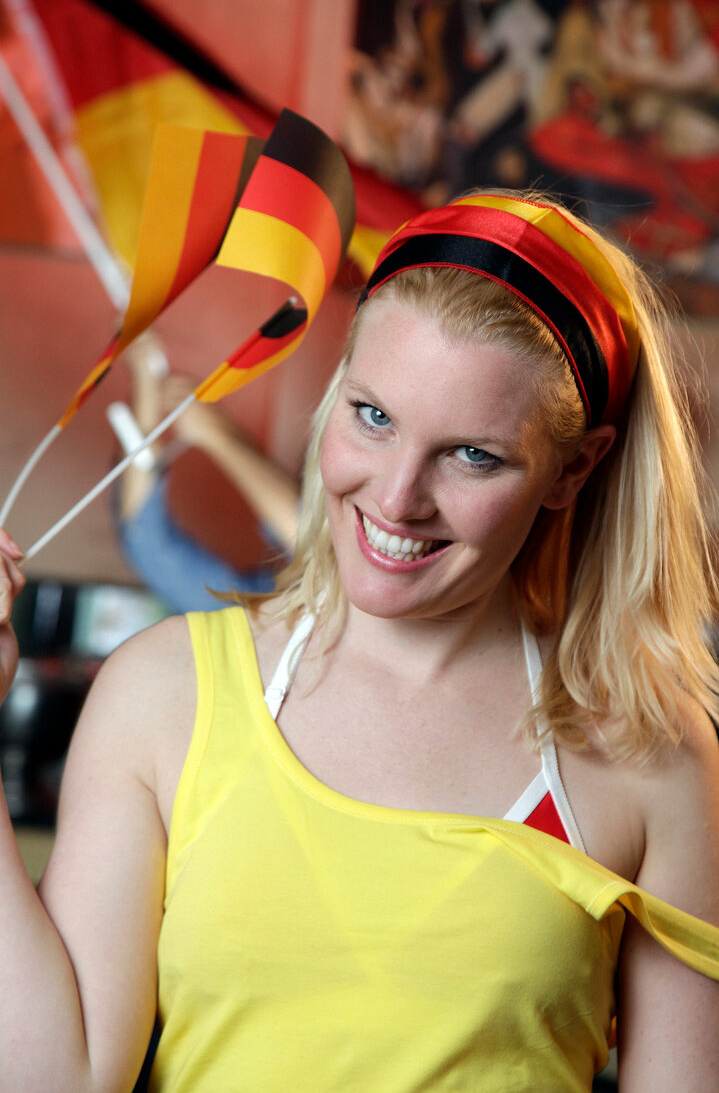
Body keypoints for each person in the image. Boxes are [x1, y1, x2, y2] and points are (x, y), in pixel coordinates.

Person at [1, 188, 719, 1092]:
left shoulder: (646, 749)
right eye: (372, 417)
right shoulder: (163, 691)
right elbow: (55, 1079)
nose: (395, 498)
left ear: (571, 470)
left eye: (471, 456)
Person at [112, 345, 300, 612]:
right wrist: (146, 386)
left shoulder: (277, 622)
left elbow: (314, 541)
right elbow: (146, 539)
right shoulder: (269, 616)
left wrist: (216, 433)